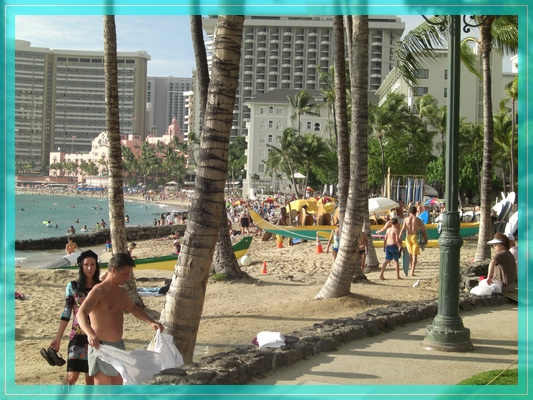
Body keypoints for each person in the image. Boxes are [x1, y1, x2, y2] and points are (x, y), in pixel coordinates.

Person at [77, 253, 164, 385]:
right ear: (113, 270)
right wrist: (90, 334)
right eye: (125, 274)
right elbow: (81, 314)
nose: (128, 278)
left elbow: (133, 309)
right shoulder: (98, 290)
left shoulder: (122, 292)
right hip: (101, 347)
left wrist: (151, 321)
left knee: (118, 390)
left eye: (129, 274)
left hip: (119, 346)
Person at [48, 250, 100, 385]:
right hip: (77, 336)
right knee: (72, 376)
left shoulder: (100, 287)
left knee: (91, 378)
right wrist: (58, 337)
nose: (89, 268)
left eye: (93, 264)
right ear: (81, 266)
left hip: (96, 336)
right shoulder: (73, 286)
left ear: (97, 266)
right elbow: (67, 312)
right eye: (86, 264)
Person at [399, 205, 428, 277]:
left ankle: (411, 269)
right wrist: (426, 238)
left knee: (410, 254)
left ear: (409, 211)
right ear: (416, 212)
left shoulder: (406, 219)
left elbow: (402, 230)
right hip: (414, 236)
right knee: (415, 255)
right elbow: (423, 230)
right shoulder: (418, 220)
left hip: (408, 237)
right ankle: (412, 271)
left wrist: (399, 238)